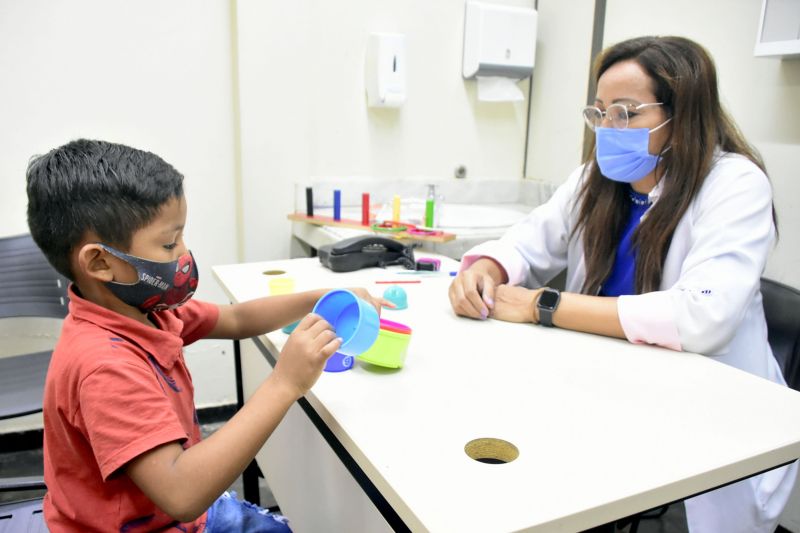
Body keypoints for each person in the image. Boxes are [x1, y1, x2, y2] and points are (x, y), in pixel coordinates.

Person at [449, 36, 796, 533]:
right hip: (611, 398)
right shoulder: (597, 179)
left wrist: (543, 305)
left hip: (708, 425)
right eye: (601, 113)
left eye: (627, 113)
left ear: (684, 115)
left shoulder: (734, 185)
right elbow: (527, 242)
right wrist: (487, 269)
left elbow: (702, 318)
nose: (609, 130)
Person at [26, 139, 386, 532]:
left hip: (168, 506)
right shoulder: (104, 366)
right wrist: (285, 382)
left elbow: (234, 318)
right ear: (100, 262)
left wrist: (320, 297)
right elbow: (182, 494)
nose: (183, 253)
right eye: (168, 243)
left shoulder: (147, 311)